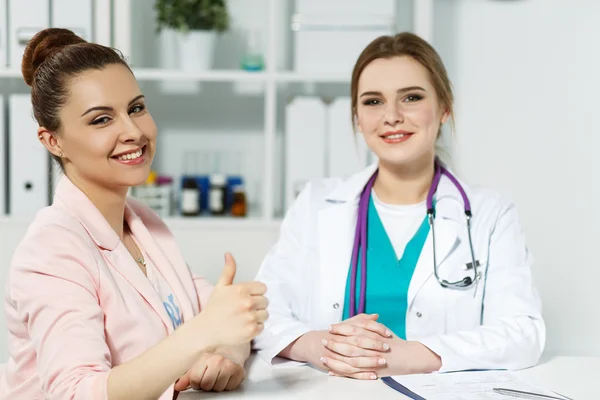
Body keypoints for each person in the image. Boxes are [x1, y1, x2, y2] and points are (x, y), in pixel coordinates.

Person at [252, 32, 545, 380]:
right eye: (373, 102)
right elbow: (262, 314)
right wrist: (319, 346)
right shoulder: (316, 204)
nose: (391, 116)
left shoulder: (490, 213)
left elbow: (522, 333)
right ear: (358, 118)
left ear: (444, 108)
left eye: (411, 97)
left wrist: (414, 355)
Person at [0, 28, 269, 400]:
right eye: (101, 120)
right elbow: (76, 393)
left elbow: (228, 318)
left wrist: (225, 355)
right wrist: (203, 336)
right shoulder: (51, 249)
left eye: (136, 108)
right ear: (53, 141)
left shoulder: (142, 222)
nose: (133, 131)